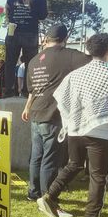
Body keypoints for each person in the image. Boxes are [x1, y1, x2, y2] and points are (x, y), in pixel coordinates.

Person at [37, 33, 108, 217]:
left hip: (74, 129)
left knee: (73, 164)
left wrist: (72, 120)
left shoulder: (76, 74)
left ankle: (49, 196)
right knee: (98, 176)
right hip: (99, 132)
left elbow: (61, 96)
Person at [21, 24, 91, 205]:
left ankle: (33, 192)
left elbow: (32, 89)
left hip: (36, 112)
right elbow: (93, 61)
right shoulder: (68, 55)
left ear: (46, 39)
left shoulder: (34, 60)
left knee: (36, 156)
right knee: (50, 158)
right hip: (52, 114)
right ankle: (47, 197)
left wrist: (27, 107)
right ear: (65, 39)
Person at [4, 0, 47, 97]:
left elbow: (6, 9)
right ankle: (26, 92)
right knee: (30, 63)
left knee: (10, 62)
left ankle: (8, 92)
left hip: (13, 31)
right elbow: (43, 15)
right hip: (30, 33)